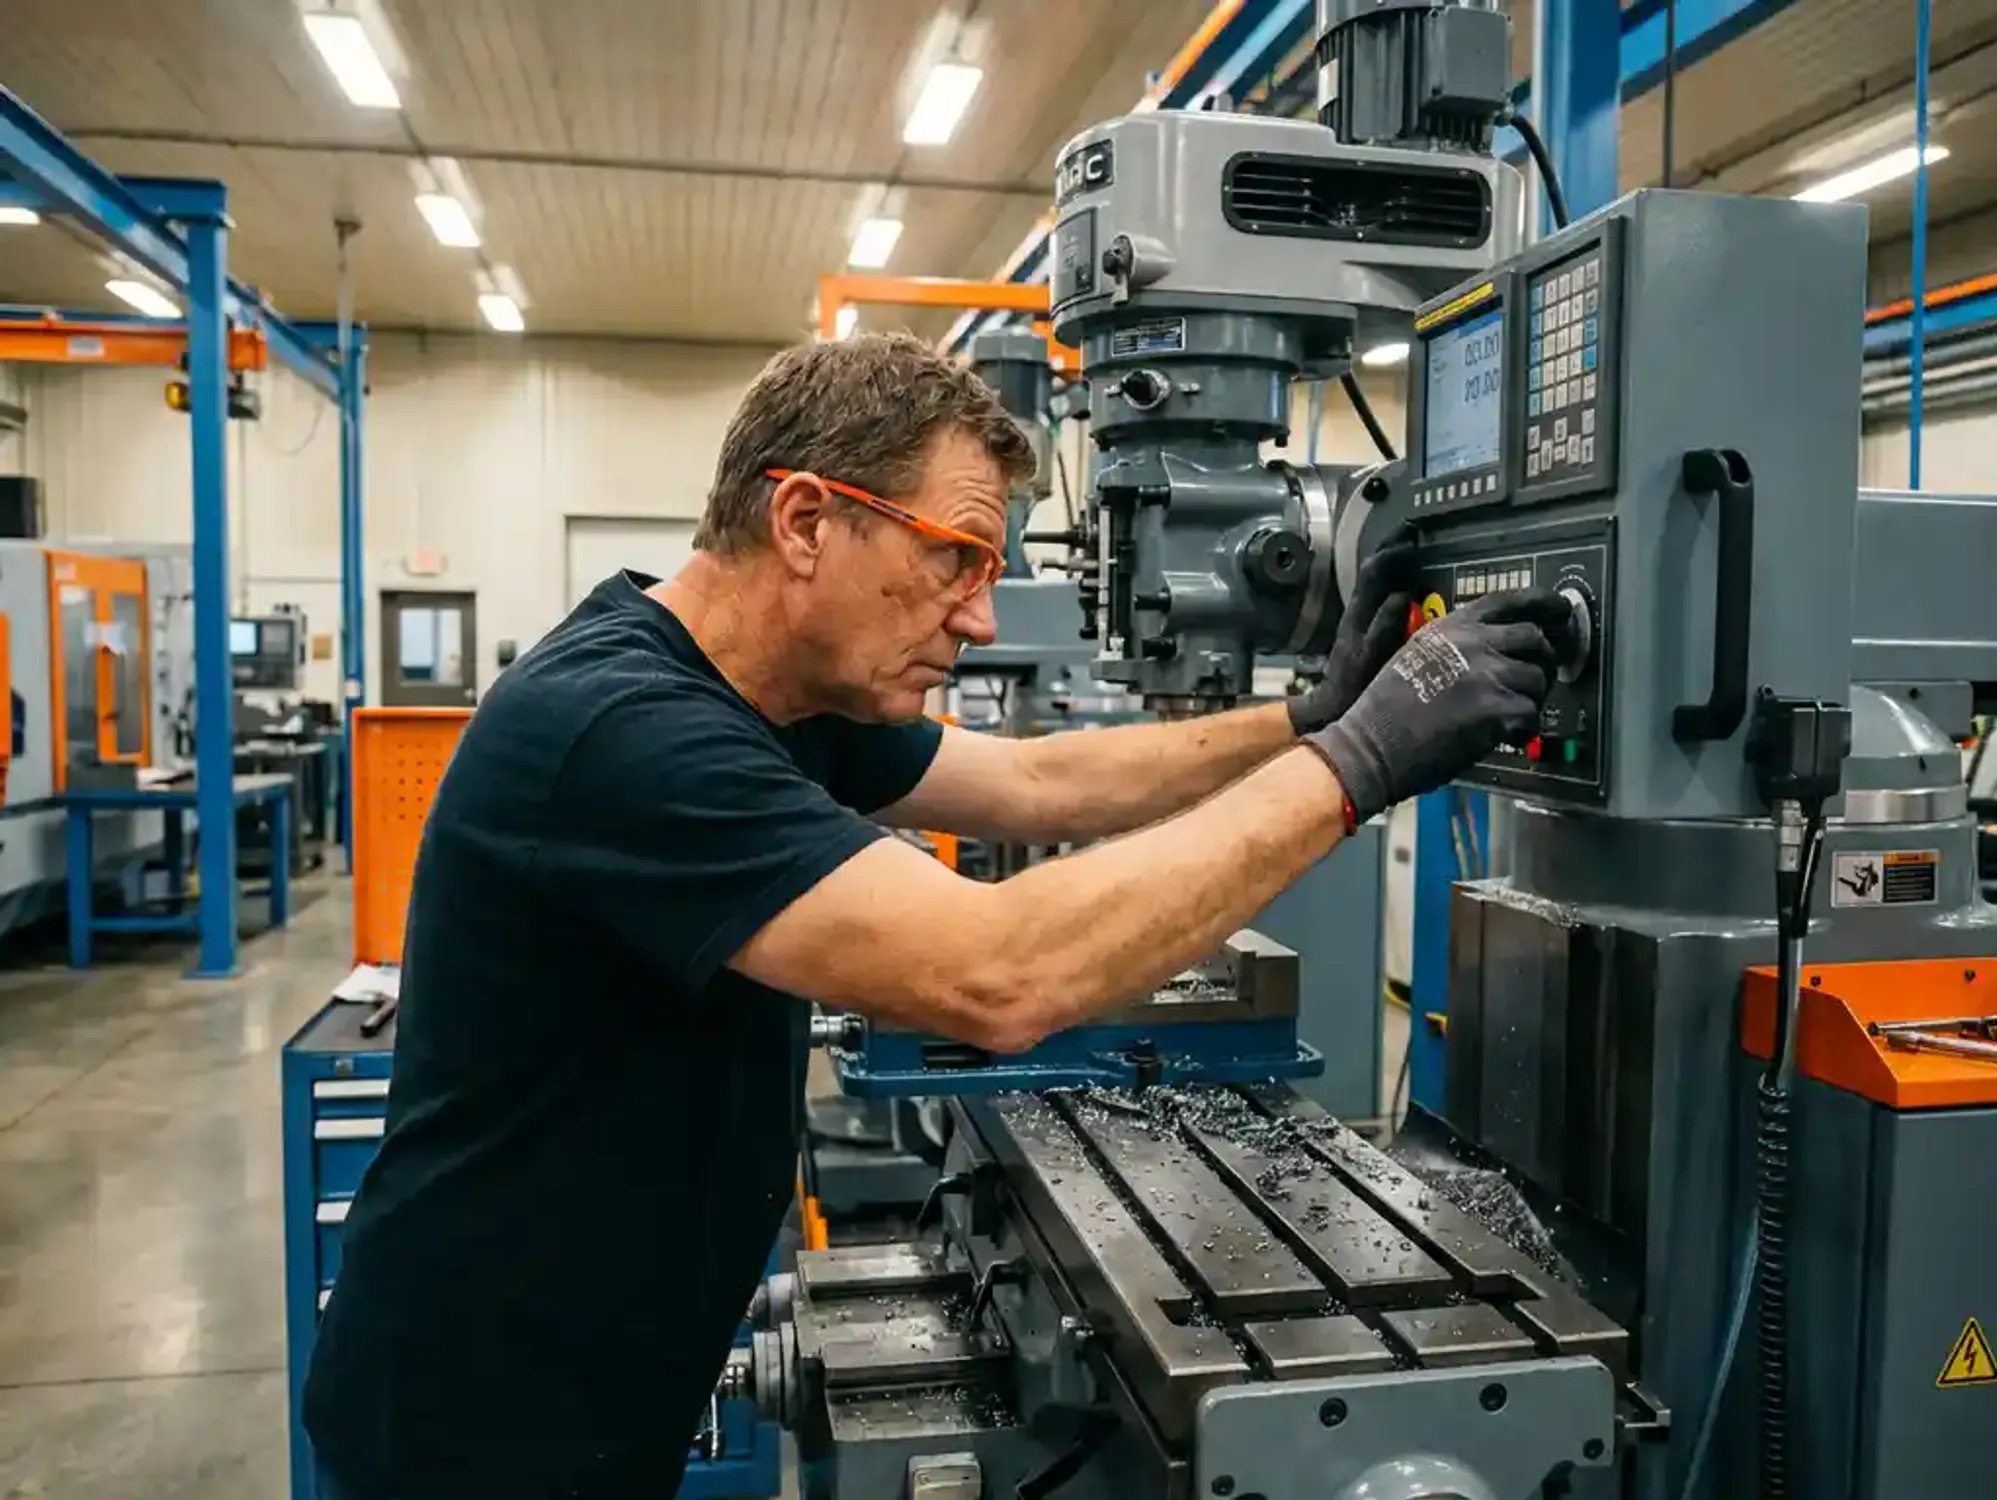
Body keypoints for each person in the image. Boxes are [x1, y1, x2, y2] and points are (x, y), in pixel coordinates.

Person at [303, 332, 1569, 1498]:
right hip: (478, 1426)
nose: (975, 615)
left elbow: (1033, 778)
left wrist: (1304, 718)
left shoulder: (772, 695)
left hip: (586, 1381)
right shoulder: (620, 731)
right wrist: (1359, 766)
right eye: (953, 557)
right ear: (804, 519)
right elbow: (998, 974)